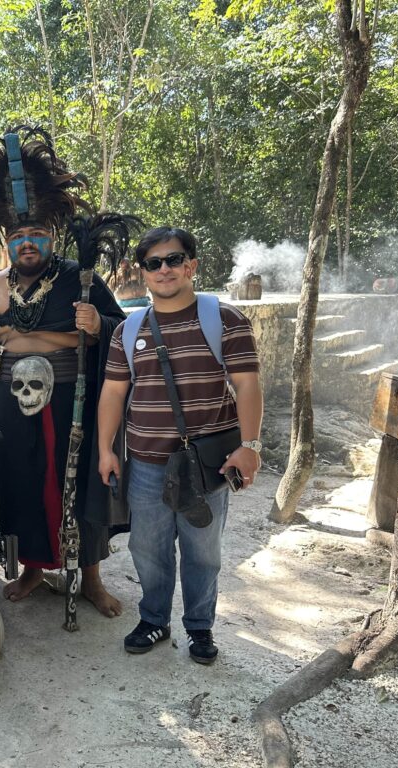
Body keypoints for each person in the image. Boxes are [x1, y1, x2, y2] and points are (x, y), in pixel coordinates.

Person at [0, 126, 127, 617]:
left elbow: (124, 330)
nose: (27, 243)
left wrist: (97, 324)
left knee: (78, 481)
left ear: (52, 237)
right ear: (8, 243)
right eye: (18, 237)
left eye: (37, 235)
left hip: (73, 391)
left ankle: (88, 574)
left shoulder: (79, 278)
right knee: (21, 478)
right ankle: (31, 567)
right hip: (12, 396)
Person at [96, 226, 262, 664]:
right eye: (154, 263)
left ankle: (200, 628)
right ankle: (154, 619)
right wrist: (106, 450)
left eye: (173, 260)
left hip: (205, 464)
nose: (164, 269)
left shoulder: (224, 321)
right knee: (146, 548)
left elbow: (246, 385)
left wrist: (251, 445)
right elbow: (113, 393)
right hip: (147, 463)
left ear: (191, 266)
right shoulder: (128, 331)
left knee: (202, 552)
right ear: (143, 273)